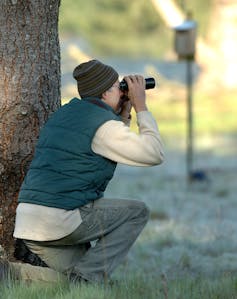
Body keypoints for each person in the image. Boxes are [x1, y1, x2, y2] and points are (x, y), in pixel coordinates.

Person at [1, 59, 164, 284]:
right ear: (105, 93)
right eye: (119, 86)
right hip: (60, 220)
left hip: (31, 223)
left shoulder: (67, 113)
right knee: (137, 212)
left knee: (72, 284)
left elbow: (109, 145)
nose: (123, 90)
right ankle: (86, 279)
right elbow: (153, 153)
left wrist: (123, 114)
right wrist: (141, 106)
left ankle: (12, 274)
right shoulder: (104, 126)